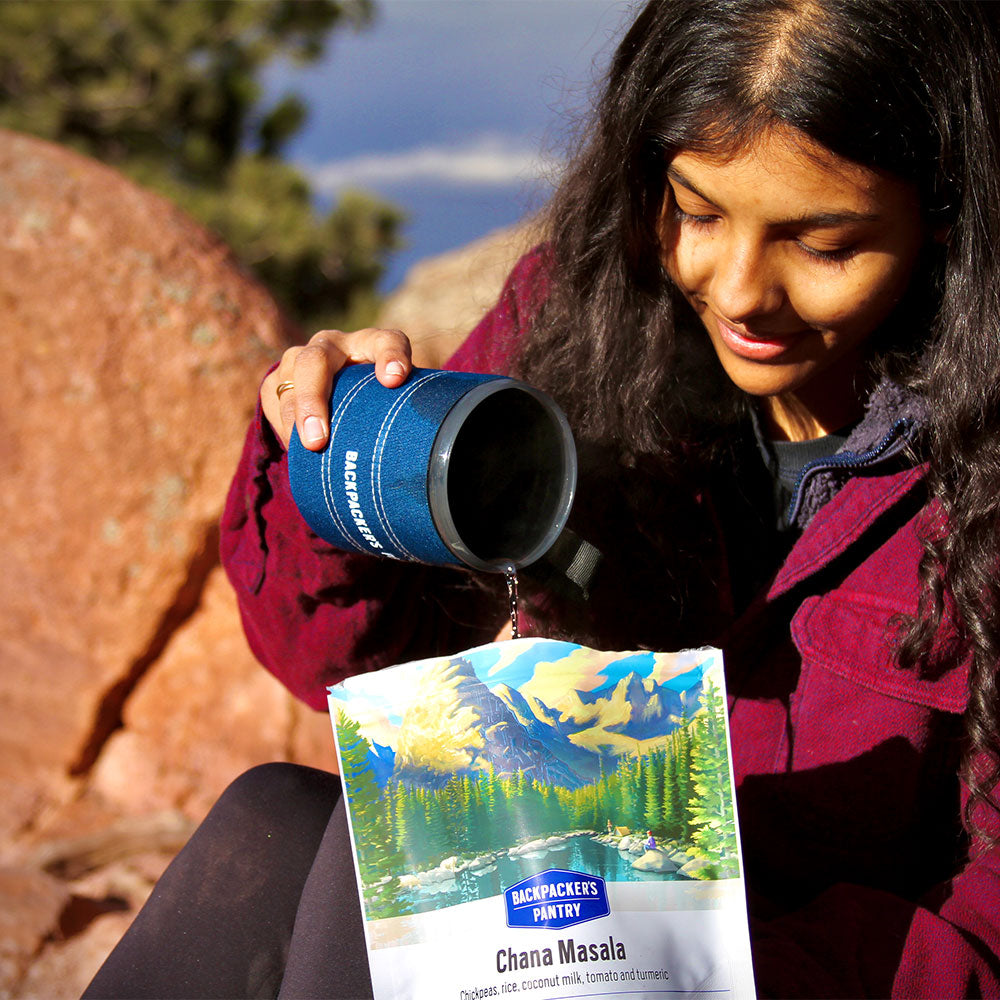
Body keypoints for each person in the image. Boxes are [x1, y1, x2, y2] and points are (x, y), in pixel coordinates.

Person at [85, 0, 1000, 997]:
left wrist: (675, 959)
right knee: (274, 819)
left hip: (798, 979)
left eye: (824, 244)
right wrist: (331, 456)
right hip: (581, 933)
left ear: (945, 221)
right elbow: (343, 668)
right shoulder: (601, 320)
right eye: (695, 212)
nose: (737, 290)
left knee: (423, 887)